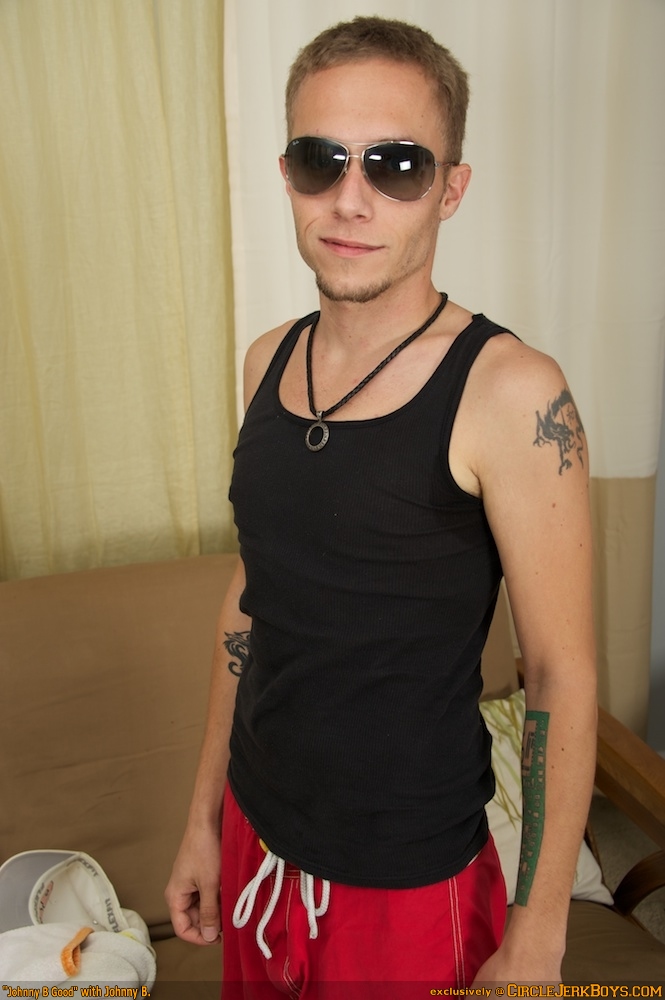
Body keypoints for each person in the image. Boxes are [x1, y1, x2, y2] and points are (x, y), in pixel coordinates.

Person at [165, 15, 597, 995]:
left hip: (406, 885)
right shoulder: (266, 360)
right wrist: (203, 819)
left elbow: (559, 675)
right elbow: (253, 597)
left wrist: (537, 940)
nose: (350, 199)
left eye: (396, 165)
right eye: (319, 160)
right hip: (256, 839)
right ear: (287, 175)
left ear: (450, 187)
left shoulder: (511, 392)